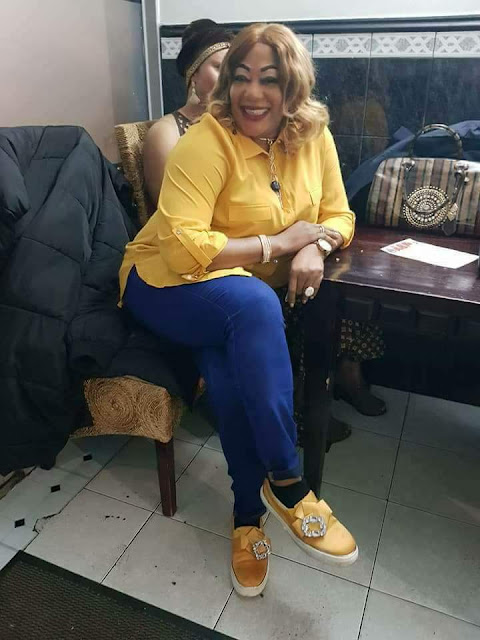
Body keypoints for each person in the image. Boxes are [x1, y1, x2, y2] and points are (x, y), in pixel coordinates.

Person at [120, 23, 358, 598]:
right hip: (165, 280)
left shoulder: (315, 136)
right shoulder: (206, 140)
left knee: (228, 376)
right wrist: (278, 244)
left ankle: (248, 516)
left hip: (234, 298)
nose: (253, 92)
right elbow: (183, 248)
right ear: (226, 83)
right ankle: (288, 479)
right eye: (241, 77)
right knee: (252, 302)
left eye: (269, 79)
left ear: (293, 86)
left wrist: (315, 245)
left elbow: (339, 215)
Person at [143, 20, 234, 205]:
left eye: (234, 70)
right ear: (194, 74)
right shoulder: (166, 133)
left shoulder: (244, 125)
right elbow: (172, 210)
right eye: (219, 68)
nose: (229, 78)